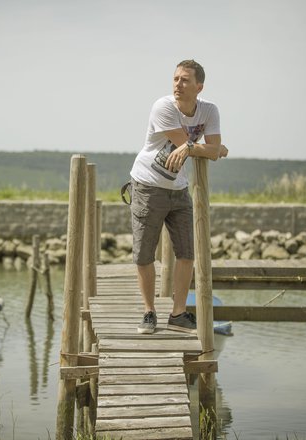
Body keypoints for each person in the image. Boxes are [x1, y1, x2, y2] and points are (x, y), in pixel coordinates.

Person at [129, 59, 228, 334]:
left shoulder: (209, 110)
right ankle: (149, 313)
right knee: (144, 253)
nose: (177, 84)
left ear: (199, 86)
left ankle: (178, 313)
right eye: (175, 79)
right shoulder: (163, 107)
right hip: (148, 184)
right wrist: (207, 148)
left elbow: (206, 147)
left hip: (179, 187)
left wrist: (200, 148)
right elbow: (208, 148)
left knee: (187, 252)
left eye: (184, 80)